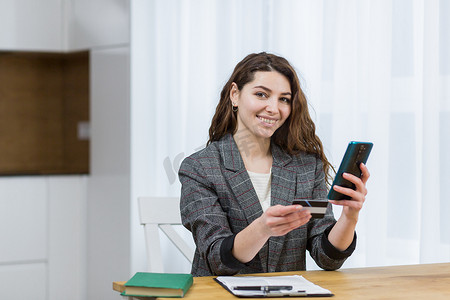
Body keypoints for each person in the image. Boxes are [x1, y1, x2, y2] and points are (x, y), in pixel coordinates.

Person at [179, 52, 369, 276]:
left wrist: (349, 217)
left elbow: (326, 256)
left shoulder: (307, 167)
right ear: (235, 95)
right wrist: (262, 229)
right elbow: (216, 258)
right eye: (261, 94)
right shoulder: (200, 168)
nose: (273, 108)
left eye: (284, 99)